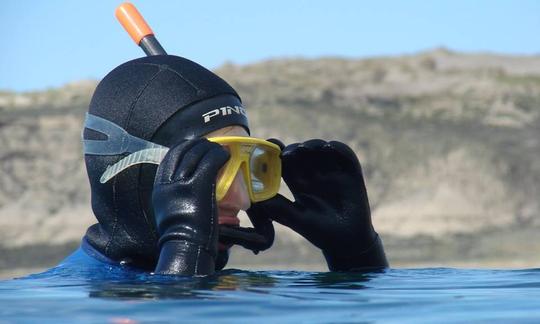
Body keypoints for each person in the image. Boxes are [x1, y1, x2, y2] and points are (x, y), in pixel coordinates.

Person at [74, 54, 387, 276]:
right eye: (212, 167)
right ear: (129, 174)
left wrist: (357, 262)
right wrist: (185, 258)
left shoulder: (236, 288)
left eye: (249, 166)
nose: (242, 199)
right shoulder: (61, 304)